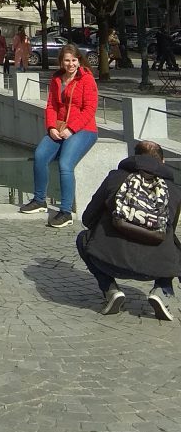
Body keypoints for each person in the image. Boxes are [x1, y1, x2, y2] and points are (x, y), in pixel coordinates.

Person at [76, 140, 181, 319]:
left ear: (134, 157)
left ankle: (110, 289)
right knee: (175, 245)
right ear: (162, 162)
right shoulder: (174, 189)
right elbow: (168, 229)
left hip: (108, 261)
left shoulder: (115, 177)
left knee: (82, 238)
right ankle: (162, 290)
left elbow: (87, 218)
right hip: (157, 268)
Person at [19, 43, 99, 228]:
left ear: (79, 61)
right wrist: (51, 128)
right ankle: (39, 200)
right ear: (61, 62)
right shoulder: (57, 79)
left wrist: (71, 129)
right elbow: (51, 106)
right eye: (67, 61)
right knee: (40, 156)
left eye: (74, 60)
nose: (71, 64)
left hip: (84, 130)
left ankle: (65, 211)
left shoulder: (87, 79)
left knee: (65, 164)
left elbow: (89, 110)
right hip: (59, 128)